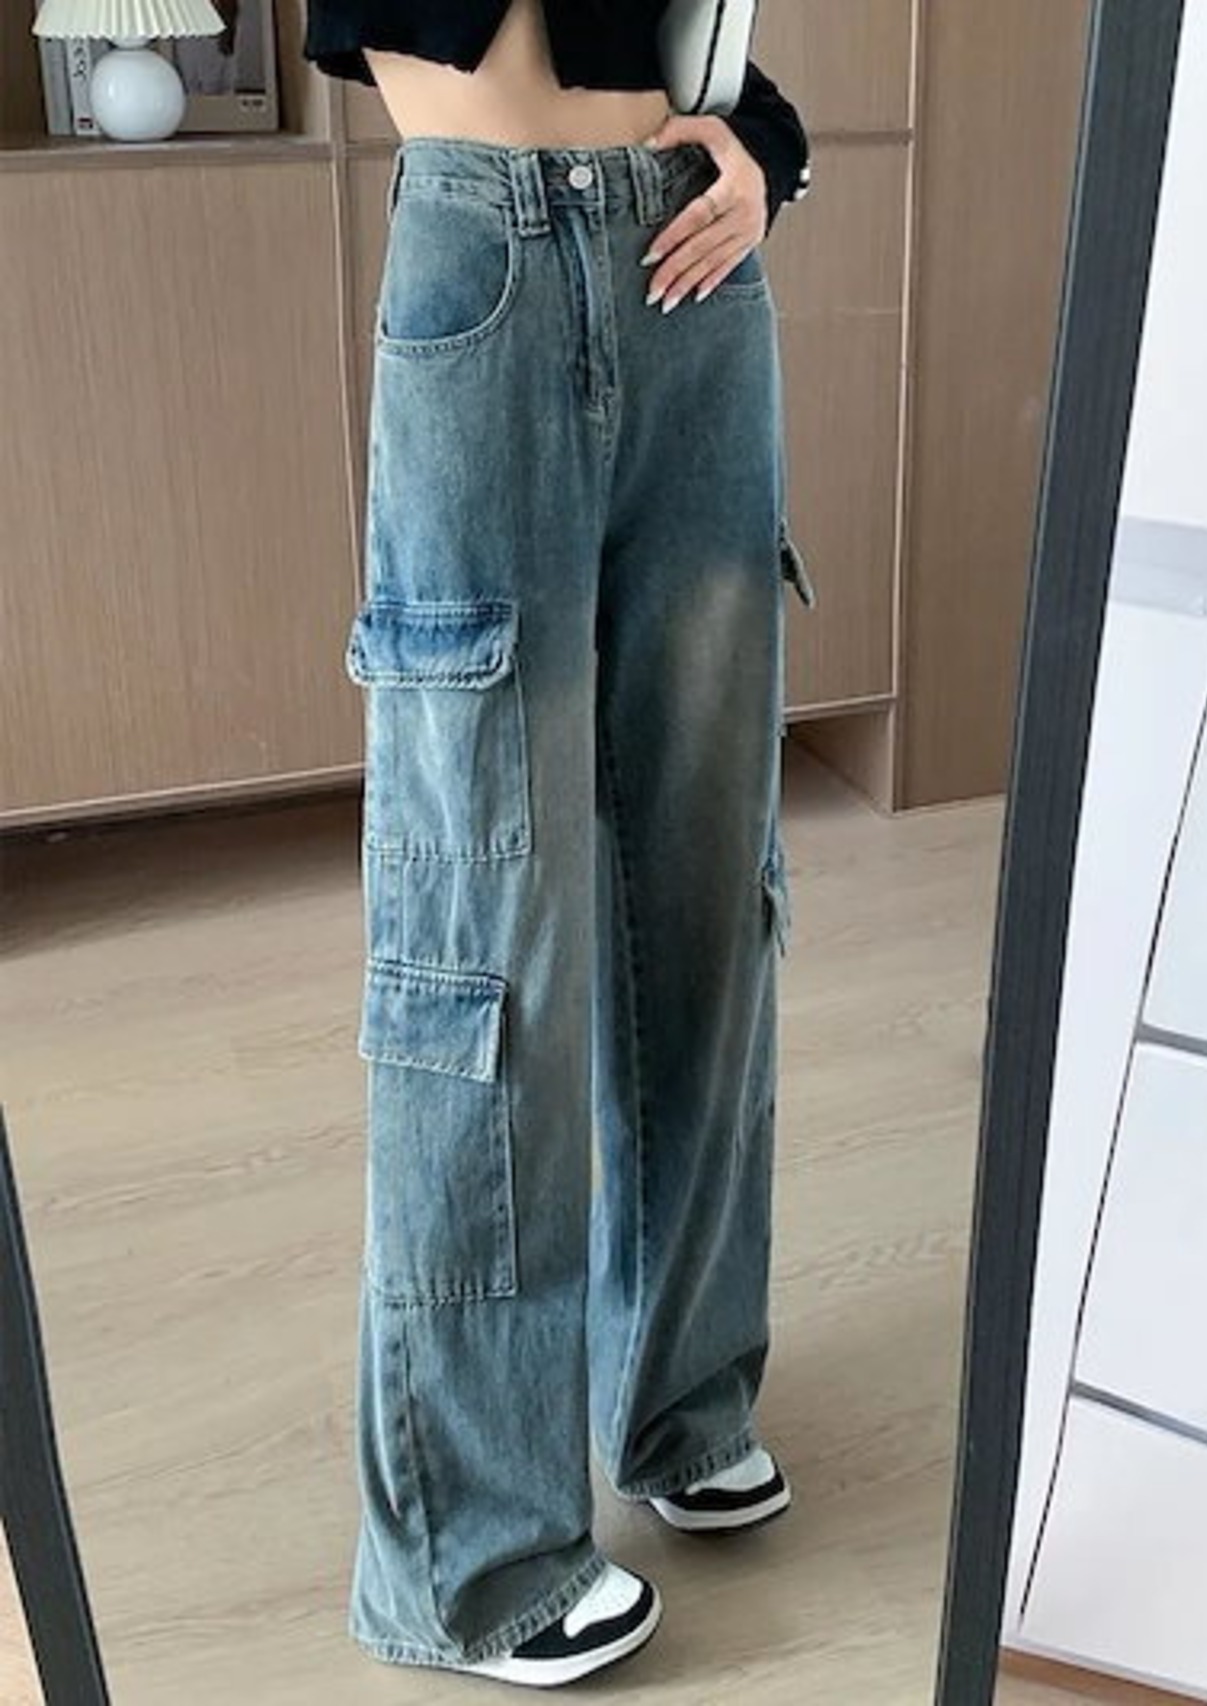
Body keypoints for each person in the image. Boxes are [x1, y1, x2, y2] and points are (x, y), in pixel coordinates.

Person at [301, 0, 813, 1687]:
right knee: (488, 927)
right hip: (486, 251)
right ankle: (475, 1547)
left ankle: (681, 1399)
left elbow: (692, 34)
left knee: (709, 893)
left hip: (692, 272)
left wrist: (768, 150)